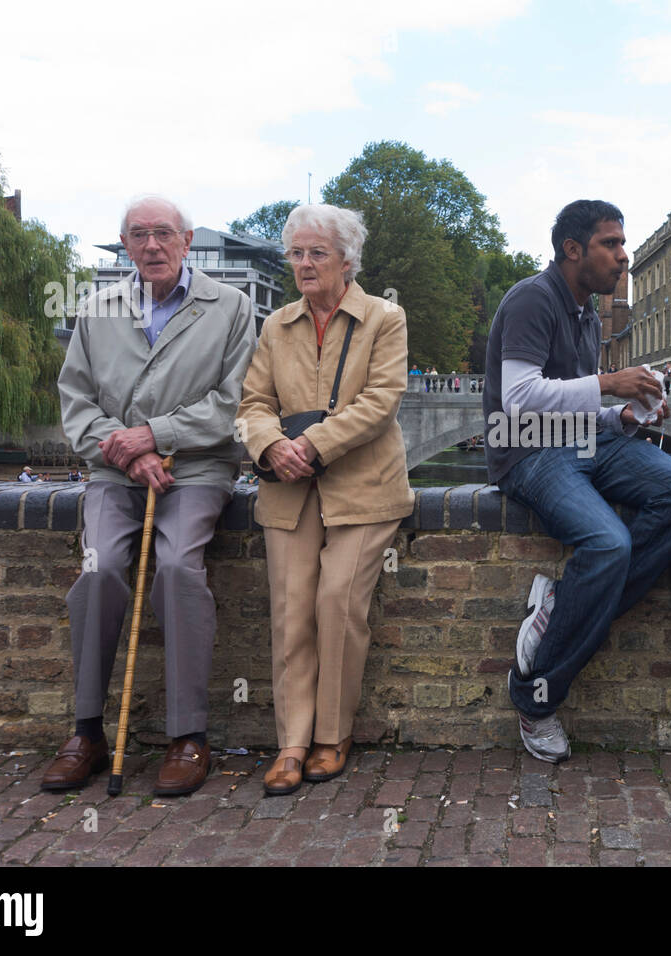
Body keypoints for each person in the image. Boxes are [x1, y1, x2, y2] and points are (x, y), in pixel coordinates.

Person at [44, 195, 256, 796]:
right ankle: (87, 731)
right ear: (125, 244)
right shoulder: (97, 310)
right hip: (115, 472)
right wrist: (130, 451)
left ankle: (189, 736)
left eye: (164, 234)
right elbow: (76, 402)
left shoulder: (231, 307)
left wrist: (158, 436)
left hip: (194, 469)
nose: (152, 245)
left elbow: (233, 401)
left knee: (178, 568)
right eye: (138, 235)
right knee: (101, 568)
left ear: (187, 241)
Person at [483, 199, 671, 763]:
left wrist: (622, 416)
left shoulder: (587, 312)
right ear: (573, 250)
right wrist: (610, 383)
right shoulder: (533, 299)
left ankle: (563, 606)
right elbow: (518, 403)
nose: (624, 257)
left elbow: (578, 406)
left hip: (584, 440)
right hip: (529, 452)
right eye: (612, 244)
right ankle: (536, 701)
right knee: (609, 544)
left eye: (623, 243)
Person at [239, 203, 414, 797]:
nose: (305, 264)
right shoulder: (276, 325)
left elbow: (381, 400)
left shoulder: (384, 318)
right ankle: (291, 743)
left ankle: (332, 735)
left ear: (347, 260)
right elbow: (252, 406)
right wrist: (270, 446)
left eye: (317, 253)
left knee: (337, 601)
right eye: (296, 253)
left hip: (365, 486)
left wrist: (309, 443)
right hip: (289, 490)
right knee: (291, 609)